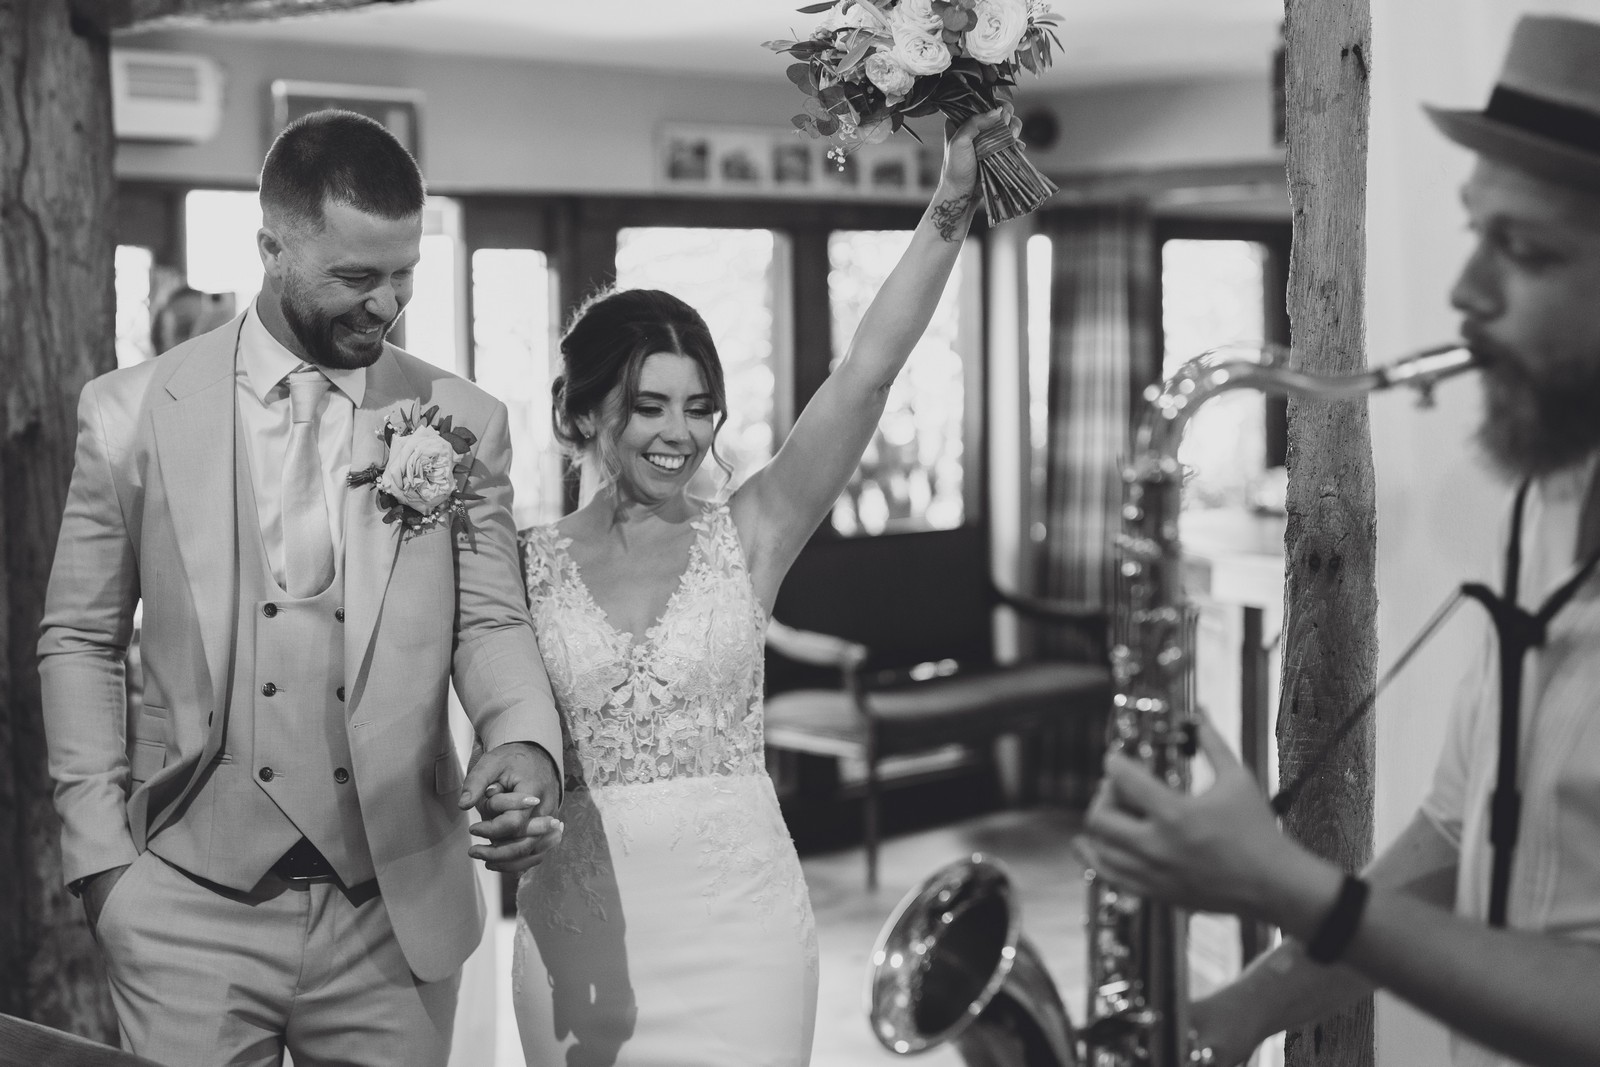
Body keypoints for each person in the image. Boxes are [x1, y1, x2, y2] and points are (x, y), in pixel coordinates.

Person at [1079, 15, 1600, 1067]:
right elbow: (1452, 836)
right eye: (1477, 232)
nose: (1466, 291)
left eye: (1525, 250)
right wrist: (1234, 1013)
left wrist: (1283, 882)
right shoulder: (1547, 501)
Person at [39, 109, 564, 1066]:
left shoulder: (462, 419)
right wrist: (102, 862)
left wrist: (524, 737)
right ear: (272, 250)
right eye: (357, 277)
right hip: (183, 904)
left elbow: (491, 620)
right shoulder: (130, 412)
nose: (387, 303)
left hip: (394, 910)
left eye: (405, 273)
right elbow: (79, 637)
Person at [510, 109, 1007, 1065]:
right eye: (649, 404)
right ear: (584, 410)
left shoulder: (749, 533)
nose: (680, 433)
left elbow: (864, 376)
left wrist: (950, 200)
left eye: (700, 407)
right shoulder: (521, 563)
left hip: (743, 933)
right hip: (579, 926)